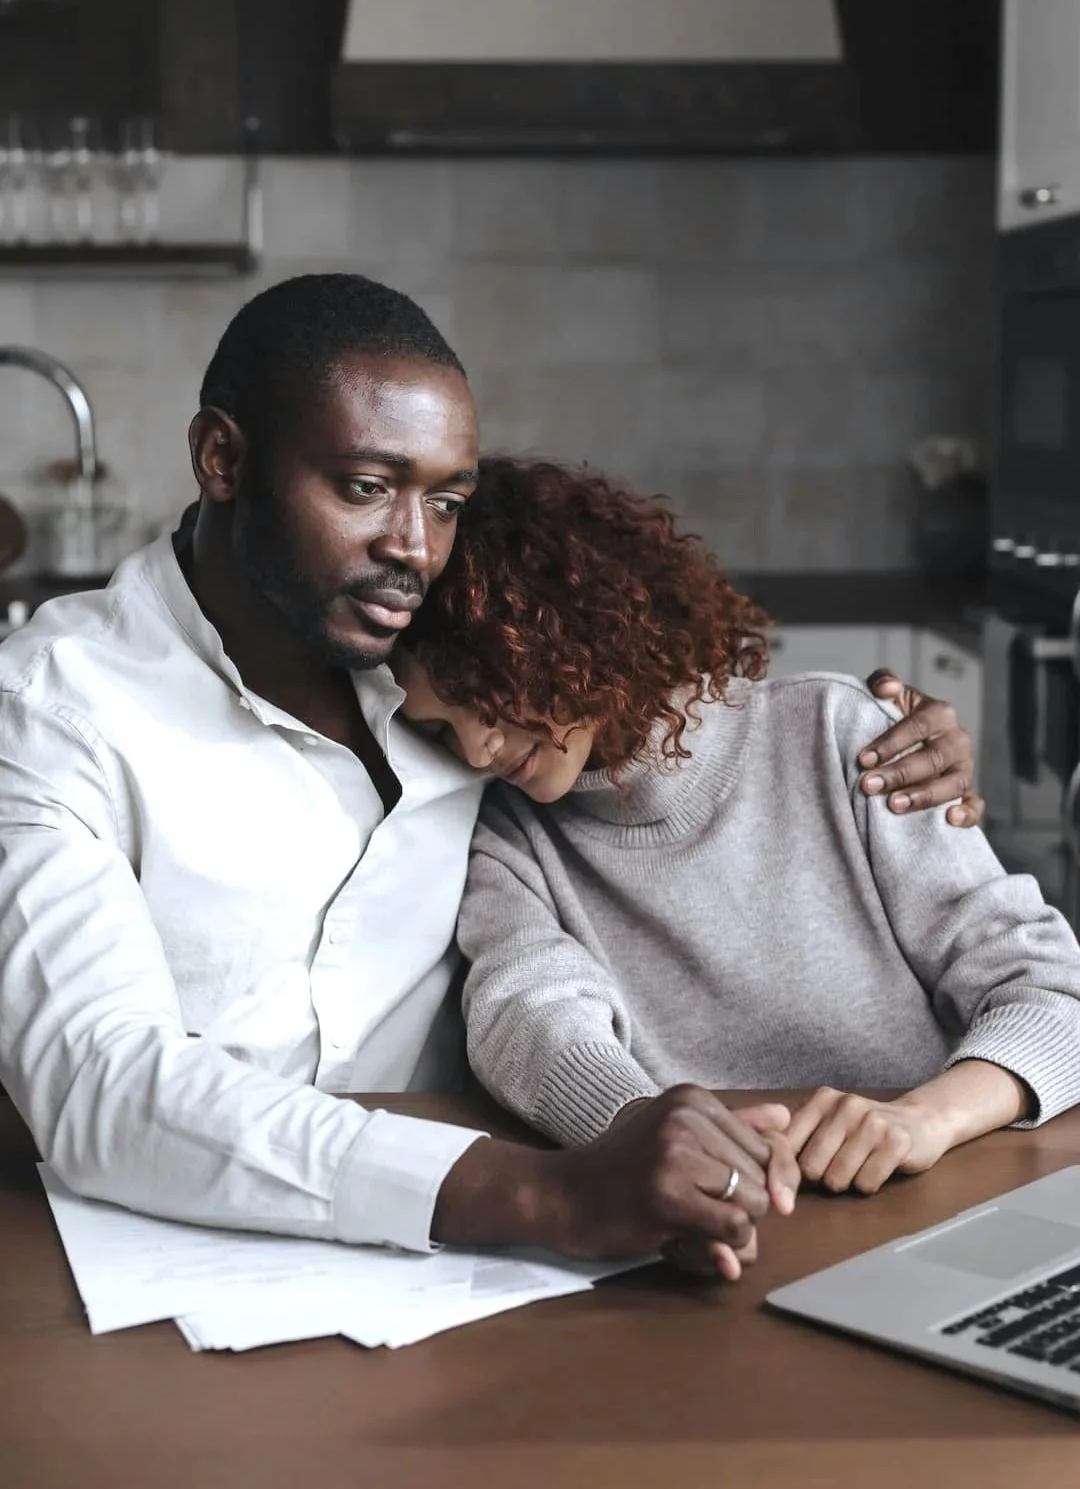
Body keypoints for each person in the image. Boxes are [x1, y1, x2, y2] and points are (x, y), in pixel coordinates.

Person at [0, 275, 978, 1283]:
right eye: (365, 487)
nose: (413, 548)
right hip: (165, 1256)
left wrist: (878, 740)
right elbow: (103, 1085)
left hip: (483, 1275)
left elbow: (670, 736)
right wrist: (553, 1193)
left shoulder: (454, 677)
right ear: (223, 459)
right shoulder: (50, 708)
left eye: (447, 501)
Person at [397, 455, 1080, 1198]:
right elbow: (526, 1014)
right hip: (712, 1216)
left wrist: (923, 1120)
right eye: (439, 730)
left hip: (933, 1189)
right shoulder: (507, 830)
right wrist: (644, 1136)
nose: (473, 750)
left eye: (486, 696)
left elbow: (1052, 990)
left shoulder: (840, 735)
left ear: (570, 637)